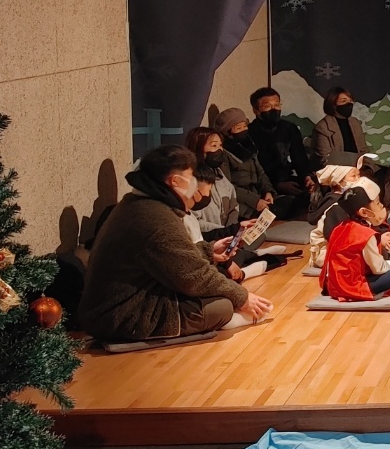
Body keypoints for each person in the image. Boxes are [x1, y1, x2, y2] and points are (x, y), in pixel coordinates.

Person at [79, 146, 272, 342]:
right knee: (220, 306)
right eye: (191, 178)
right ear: (175, 181)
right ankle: (229, 320)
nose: (194, 186)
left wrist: (209, 250)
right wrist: (242, 297)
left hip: (119, 305)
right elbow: (194, 276)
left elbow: (172, 258)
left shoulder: (140, 204)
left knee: (218, 289)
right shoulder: (155, 217)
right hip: (122, 315)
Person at [320, 188, 390, 302]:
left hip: (333, 284)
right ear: (364, 212)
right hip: (352, 286)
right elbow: (379, 269)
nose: (381, 206)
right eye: (377, 203)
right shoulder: (365, 233)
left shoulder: (340, 227)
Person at [247, 87, 316, 219]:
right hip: (266, 185)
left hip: (289, 179)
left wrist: (306, 177)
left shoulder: (289, 128)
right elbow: (257, 169)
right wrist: (278, 184)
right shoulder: (250, 133)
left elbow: (299, 158)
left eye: (277, 105)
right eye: (267, 106)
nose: (274, 109)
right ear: (256, 110)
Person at [308, 172, 381, 270]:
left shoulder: (355, 204)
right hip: (329, 252)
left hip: (350, 247)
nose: (358, 178)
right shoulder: (337, 209)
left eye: (359, 175)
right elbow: (338, 242)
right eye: (353, 176)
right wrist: (376, 242)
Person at [214, 107, 276, 220]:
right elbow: (228, 187)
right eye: (239, 128)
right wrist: (255, 201)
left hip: (258, 197)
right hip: (240, 204)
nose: (244, 130)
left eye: (245, 126)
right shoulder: (224, 154)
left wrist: (268, 191)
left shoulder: (249, 147)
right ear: (228, 132)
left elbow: (261, 173)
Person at [183, 126, 239, 236]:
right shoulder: (193, 180)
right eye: (214, 146)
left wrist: (231, 228)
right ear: (198, 148)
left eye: (220, 145)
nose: (220, 150)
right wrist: (223, 231)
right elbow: (193, 220)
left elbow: (233, 205)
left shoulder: (219, 173)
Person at [312, 86, 366, 165]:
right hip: (335, 169)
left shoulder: (355, 123)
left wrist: (368, 168)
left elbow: (363, 151)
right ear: (333, 105)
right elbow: (325, 158)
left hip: (357, 168)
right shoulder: (322, 127)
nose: (349, 104)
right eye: (343, 101)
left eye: (350, 101)